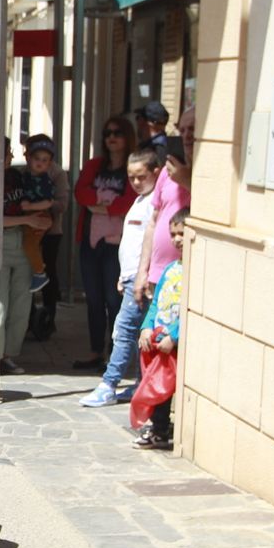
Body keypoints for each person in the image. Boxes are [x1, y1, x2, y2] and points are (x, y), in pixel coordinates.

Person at [81, 147, 159, 408]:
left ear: (155, 173)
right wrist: (125, 276)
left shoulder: (153, 205)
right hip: (130, 277)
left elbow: (151, 245)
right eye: (131, 177)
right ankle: (139, 382)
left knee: (123, 331)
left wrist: (140, 276)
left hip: (141, 280)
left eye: (141, 176)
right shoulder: (139, 202)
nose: (136, 182)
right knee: (135, 332)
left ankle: (109, 383)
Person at [0, 155, 51, 377]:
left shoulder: (18, 177)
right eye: (5, 153)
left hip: (24, 240)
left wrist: (38, 217)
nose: (10, 158)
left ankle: (7, 355)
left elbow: (41, 196)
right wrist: (27, 220)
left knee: (22, 303)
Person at [72, 116, 135, 369]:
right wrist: (106, 201)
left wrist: (99, 205)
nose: (112, 137)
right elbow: (80, 193)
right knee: (94, 299)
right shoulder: (94, 165)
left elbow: (128, 201)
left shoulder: (132, 166)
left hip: (117, 244)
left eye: (117, 132)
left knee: (114, 299)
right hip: (90, 241)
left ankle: (115, 352)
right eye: (108, 132)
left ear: (127, 137)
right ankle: (95, 350)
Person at [132, 209, 187, 451]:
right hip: (156, 339)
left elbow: (189, 309)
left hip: (171, 342)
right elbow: (156, 303)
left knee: (163, 388)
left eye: (182, 234)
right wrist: (145, 328)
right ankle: (157, 425)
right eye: (173, 234)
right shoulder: (171, 269)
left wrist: (175, 336)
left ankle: (160, 429)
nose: (177, 239)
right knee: (152, 383)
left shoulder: (194, 271)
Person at [136, 107, 195, 305]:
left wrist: (186, 180)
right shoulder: (166, 172)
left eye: (193, 129)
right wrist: (142, 271)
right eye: (183, 130)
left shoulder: (204, 178)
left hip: (183, 274)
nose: (186, 136)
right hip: (156, 274)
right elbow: (153, 222)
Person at [10, 141, 59, 293]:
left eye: (45, 160)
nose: (40, 163)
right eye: (37, 158)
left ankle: (39, 272)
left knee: (29, 244)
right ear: (28, 158)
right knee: (29, 244)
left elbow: (49, 202)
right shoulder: (24, 176)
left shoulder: (45, 180)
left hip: (38, 214)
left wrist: (30, 207)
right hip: (27, 215)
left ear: (50, 163)